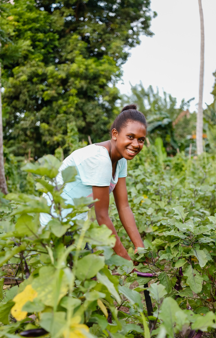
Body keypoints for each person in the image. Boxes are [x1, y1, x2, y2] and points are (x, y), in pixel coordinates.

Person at [40, 104, 147, 261]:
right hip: (54, 221)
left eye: (141, 140)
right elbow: (102, 216)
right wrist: (126, 260)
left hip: (75, 222)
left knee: (87, 276)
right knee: (84, 278)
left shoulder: (120, 159)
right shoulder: (100, 159)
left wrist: (140, 248)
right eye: (130, 137)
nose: (136, 144)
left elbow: (123, 206)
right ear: (115, 134)